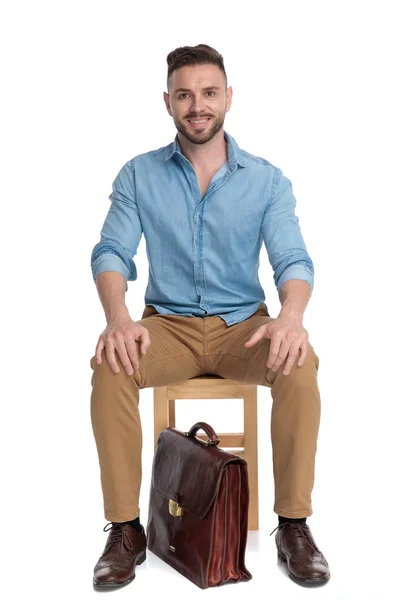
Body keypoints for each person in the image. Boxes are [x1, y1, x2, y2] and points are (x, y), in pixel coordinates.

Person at [89, 43, 330, 589]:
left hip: (243, 329)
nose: (197, 105)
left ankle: (293, 525)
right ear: (168, 102)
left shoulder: (266, 181)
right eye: (185, 94)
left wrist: (290, 317)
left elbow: (293, 259)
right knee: (110, 362)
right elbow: (111, 254)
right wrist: (118, 318)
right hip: (166, 328)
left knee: (299, 362)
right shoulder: (138, 175)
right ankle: (125, 530)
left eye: (208, 93)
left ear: (227, 98)